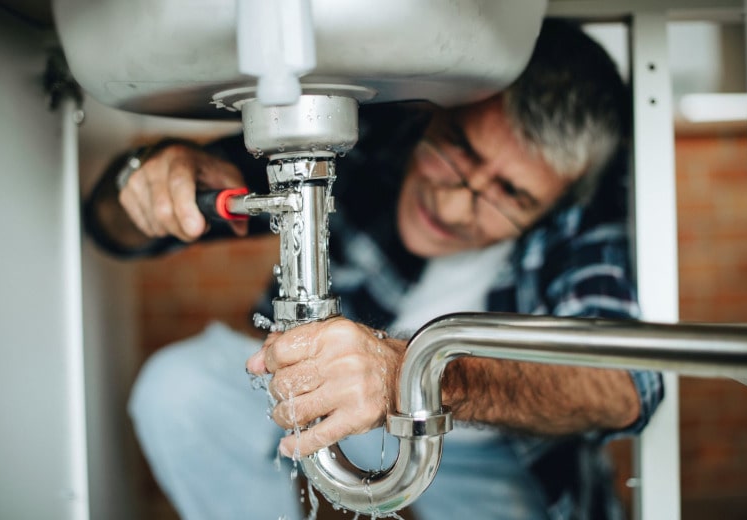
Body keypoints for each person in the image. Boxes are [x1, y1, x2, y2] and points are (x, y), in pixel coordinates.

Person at [84, 19, 663, 520]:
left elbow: (622, 387)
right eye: (458, 148)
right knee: (180, 391)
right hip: (327, 394)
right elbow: (113, 229)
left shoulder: (587, 209)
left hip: (493, 445)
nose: (454, 204)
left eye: (509, 195)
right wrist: (152, 176)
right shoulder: (373, 133)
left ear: (554, 205)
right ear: (439, 112)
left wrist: (417, 376)